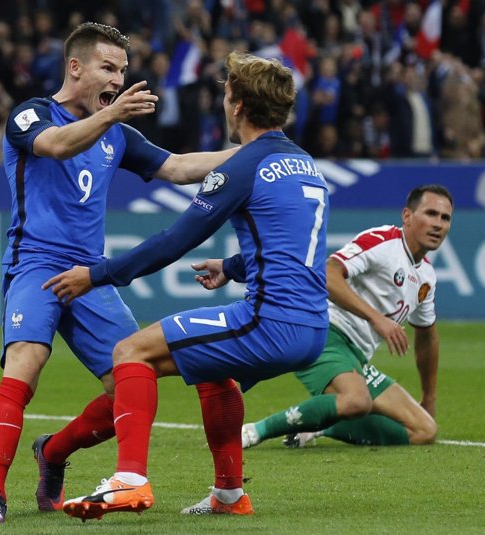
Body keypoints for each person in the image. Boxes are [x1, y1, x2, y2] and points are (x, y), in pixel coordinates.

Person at [0, 22, 240, 524]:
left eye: (123, 70)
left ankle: (51, 453)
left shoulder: (117, 133)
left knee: (133, 383)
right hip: (36, 266)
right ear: (76, 67)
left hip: (90, 276)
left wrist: (251, 154)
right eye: (108, 68)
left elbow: (180, 167)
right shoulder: (31, 114)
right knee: (24, 365)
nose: (118, 79)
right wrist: (114, 112)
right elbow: (56, 146)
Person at [43, 51, 330, 520]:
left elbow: (173, 242)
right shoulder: (305, 164)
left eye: (225, 93)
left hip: (268, 323)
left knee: (131, 352)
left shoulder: (242, 165)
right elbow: (293, 248)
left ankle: (128, 480)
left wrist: (95, 274)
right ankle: (230, 495)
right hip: (312, 327)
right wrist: (233, 267)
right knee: (213, 369)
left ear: (236, 106)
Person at [240, 184, 453, 450]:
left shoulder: (427, 278)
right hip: (321, 334)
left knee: (424, 430)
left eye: (445, 218)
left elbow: (426, 337)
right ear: (407, 216)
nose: (438, 224)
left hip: (357, 358)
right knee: (356, 400)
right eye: (431, 214)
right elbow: (328, 275)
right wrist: (377, 318)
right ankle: (254, 431)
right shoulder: (383, 243)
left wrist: (429, 398)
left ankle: (320, 426)